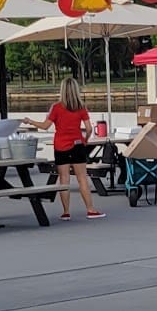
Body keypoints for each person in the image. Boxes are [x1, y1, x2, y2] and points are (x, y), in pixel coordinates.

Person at [22, 77, 105, 220]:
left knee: (64, 179)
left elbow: (45, 126)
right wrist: (85, 140)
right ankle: (90, 210)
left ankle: (66, 212)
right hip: (78, 145)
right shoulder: (81, 107)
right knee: (82, 179)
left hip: (61, 146)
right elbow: (89, 128)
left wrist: (30, 121)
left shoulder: (56, 107)